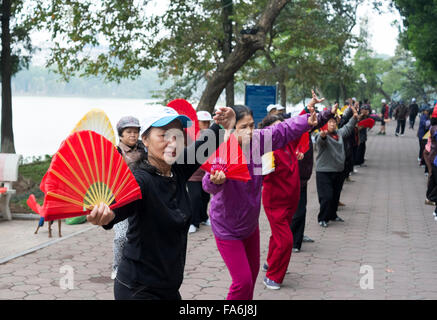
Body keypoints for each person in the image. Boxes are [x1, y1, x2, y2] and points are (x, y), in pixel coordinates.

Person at [86, 105, 236, 300]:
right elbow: (119, 207)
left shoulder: (177, 169)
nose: (172, 142)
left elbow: (204, 145)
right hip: (138, 288)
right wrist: (107, 215)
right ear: (145, 139)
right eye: (163, 135)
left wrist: (225, 123)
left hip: (169, 287)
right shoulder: (141, 180)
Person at [202, 94, 319, 299]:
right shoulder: (225, 150)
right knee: (242, 282)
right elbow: (207, 184)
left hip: (250, 225)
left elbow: (283, 129)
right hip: (227, 228)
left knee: (252, 278)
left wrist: (307, 119)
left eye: (251, 125)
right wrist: (216, 180)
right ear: (231, 128)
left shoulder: (258, 143)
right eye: (243, 127)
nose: (249, 131)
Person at [290, 104, 337, 252]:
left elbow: (318, 121)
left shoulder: (305, 132)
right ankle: (292, 243)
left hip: (302, 179)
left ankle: (297, 238)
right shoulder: (292, 134)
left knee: (301, 210)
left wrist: (329, 112)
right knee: (295, 212)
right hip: (291, 181)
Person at [112, 116, 146, 280]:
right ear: (121, 134)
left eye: (136, 132)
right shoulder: (114, 152)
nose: (133, 135)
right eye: (129, 132)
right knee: (120, 237)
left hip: (142, 196)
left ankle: (140, 265)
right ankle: (117, 266)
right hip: (121, 197)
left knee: (142, 233)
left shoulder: (144, 149)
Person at [315, 105, 359, 227]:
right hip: (324, 171)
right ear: (325, 124)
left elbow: (349, 127)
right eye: (330, 122)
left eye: (334, 122)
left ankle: (333, 215)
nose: (332, 124)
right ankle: (322, 218)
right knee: (326, 196)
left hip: (338, 170)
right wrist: (322, 136)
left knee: (335, 195)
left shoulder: (339, 134)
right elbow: (320, 140)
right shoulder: (322, 135)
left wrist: (355, 116)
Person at [187, 111, 213, 233]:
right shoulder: (190, 136)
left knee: (205, 197)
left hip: (206, 173)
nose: (206, 125)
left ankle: (204, 217)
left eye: (208, 122)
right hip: (192, 174)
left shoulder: (211, 137)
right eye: (204, 122)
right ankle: (193, 222)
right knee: (195, 197)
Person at [425, 107, 437, 221]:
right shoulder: (435, 129)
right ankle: (431, 198)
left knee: (433, 180)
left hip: (433, 158)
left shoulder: (433, 127)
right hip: (435, 159)